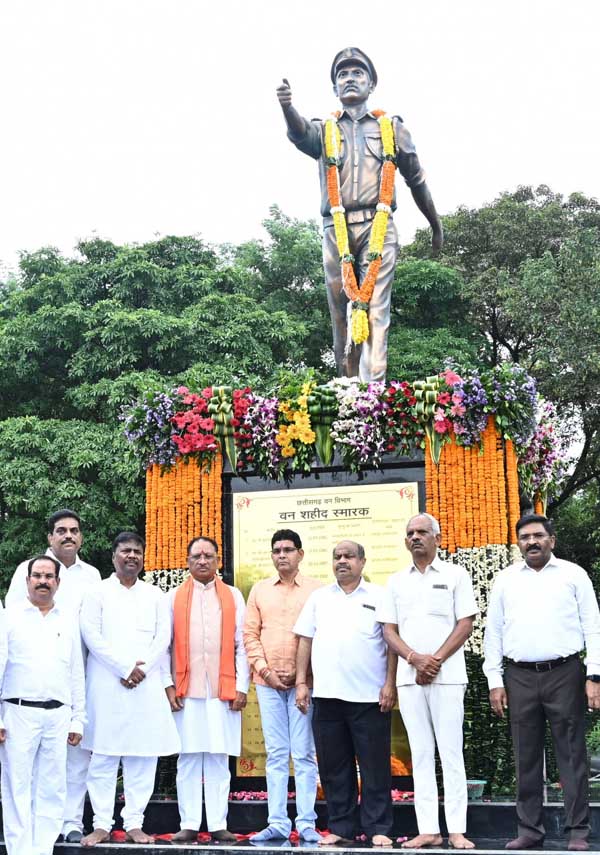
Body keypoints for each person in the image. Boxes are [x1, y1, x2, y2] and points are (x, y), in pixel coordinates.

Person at [277, 47, 442, 383]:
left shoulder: (391, 128)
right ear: (335, 88)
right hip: (335, 230)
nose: (349, 79)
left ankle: (372, 395)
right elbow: (299, 134)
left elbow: (416, 179)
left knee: (375, 307)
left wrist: (435, 224)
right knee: (340, 311)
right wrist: (287, 107)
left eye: (357, 73)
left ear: (371, 84)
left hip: (378, 226)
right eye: (342, 75)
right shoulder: (325, 130)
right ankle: (348, 390)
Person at [484, 514, 600, 852]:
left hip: (565, 673)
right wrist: (495, 680)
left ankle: (578, 832)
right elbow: (494, 632)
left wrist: (594, 675)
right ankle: (530, 831)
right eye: (524, 537)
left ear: (552, 539)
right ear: (518, 543)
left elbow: (593, 626)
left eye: (538, 536)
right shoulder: (504, 580)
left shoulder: (573, 575)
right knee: (526, 755)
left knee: (572, 754)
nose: (531, 542)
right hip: (518, 676)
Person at [378, 513, 477, 849]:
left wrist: (433, 660)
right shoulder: (395, 581)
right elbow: (388, 630)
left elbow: (465, 623)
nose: (415, 537)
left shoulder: (455, 575)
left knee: (451, 752)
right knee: (420, 754)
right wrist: (414, 659)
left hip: (447, 677)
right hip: (409, 679)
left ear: (438, 537)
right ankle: (428, 830)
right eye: (410, 533)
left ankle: (457, 830)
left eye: (422, 532)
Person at [5, 508, 101, 843]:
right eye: (61, 531)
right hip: (21, 697)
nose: (68, 536)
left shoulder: (91, 576)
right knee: (19, 779)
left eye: (74, 530)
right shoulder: (25, 575)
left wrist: (78, 712)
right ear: (50, 537)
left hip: (70, 686)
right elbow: (9, 644)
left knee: (63, 773)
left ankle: (67, 825)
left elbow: (86, 641)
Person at [79, 532, 180, 847]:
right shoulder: (96, 593)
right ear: (114, 556)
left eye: (137, 551)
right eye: (126, 551)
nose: (132, 556)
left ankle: (135, 823)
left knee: (143, 758)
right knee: (104, 760)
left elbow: (164, 636)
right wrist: (124, 669)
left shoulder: (155, 595)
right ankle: (101, 824)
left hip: (144, 687)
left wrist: (142, 669)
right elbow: (91, 635)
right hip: (107, 686)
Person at [294, 540, 396, 846]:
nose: (342, 561)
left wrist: (390, 683)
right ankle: (341, 827)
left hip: (369, 698)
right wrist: (301, 682)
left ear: (362, 562)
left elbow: (391, 644)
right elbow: (305, 641)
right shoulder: (319, 598)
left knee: (375, 766)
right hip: (327, 698)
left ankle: (378, 827)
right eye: (337, 556)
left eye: (349, 556)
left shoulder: (380, 595)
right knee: (334, 768)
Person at [0, 554, 85, 855]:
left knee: (52, 788)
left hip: (58, 716)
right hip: (17, 712)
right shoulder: (10, 617)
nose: (43, 581)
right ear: (27, 581)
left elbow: (76, 672)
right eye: (37, 576)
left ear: (58, 583)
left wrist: (78, 718)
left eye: (49, 577)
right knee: (17, 788)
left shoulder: (67, 619)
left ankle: (43, 849)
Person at [166, 536, 249, 845]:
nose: (202, 560)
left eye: (208, 556)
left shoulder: (233, 596)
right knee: (187, 759)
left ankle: (217, 823)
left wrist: (242, 686)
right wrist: (168, 685)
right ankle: (188, 823)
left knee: (217, 758)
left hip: (222, 691)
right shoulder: (172, 597)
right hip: (186, 691)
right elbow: (165, 647)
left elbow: (242, 644)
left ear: (218, 561)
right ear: (188, 561)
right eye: (196, 556)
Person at [243, 529, 322, 843]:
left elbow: (321, 635)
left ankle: (305, 823)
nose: (282, 555)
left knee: (304, 754)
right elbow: (249, 635)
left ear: (300, 554)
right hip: (267, 683)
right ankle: (276, 822)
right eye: (277, 550)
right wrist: (266, 671)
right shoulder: (260, 591)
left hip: (306, 684)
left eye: (288, 550)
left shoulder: (317, 591)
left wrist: (302, 677)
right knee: (276, 754)